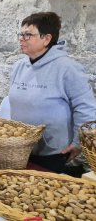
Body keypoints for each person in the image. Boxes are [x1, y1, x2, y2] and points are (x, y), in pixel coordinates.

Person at [5, 12, 96, 175]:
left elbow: (86, 108)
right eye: (21, 34)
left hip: (54, 154)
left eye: (28, 35)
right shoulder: (19, 66)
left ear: (46, 39)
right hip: (20, 149)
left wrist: (78, 142)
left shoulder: (67, 68)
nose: (21, 38)